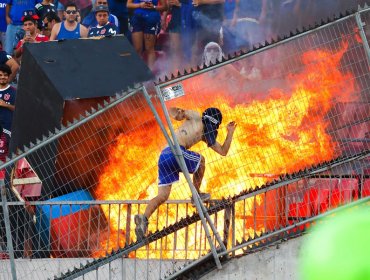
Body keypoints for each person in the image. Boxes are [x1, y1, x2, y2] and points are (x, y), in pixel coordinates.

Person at [134, 107, 237, 240]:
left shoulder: (205, 134)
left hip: (164, 156)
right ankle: (196, 195)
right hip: (175, 152)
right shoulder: (195, 116)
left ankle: (144, 220)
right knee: (201, 161)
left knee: (163, 196)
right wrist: (178, 113)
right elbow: (173, 112)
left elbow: (223, 151)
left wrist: (230, 132)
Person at [127, 0, 167, 70]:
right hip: (137, 18)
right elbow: (128, 5)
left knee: (149, 49)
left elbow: (165, 7)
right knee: (137, 49)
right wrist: (140, 5)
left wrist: (154, 7)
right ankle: (138, 74)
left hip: (152, 18)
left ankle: (150, 75)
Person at [0, 64, 16, 161]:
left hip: (7, 128)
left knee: (4, 155)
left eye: (5, 75)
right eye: (0, 75)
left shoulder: (13, 91)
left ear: (9, 76)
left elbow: (19, 109)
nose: (3, 77)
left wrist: (5, 104)